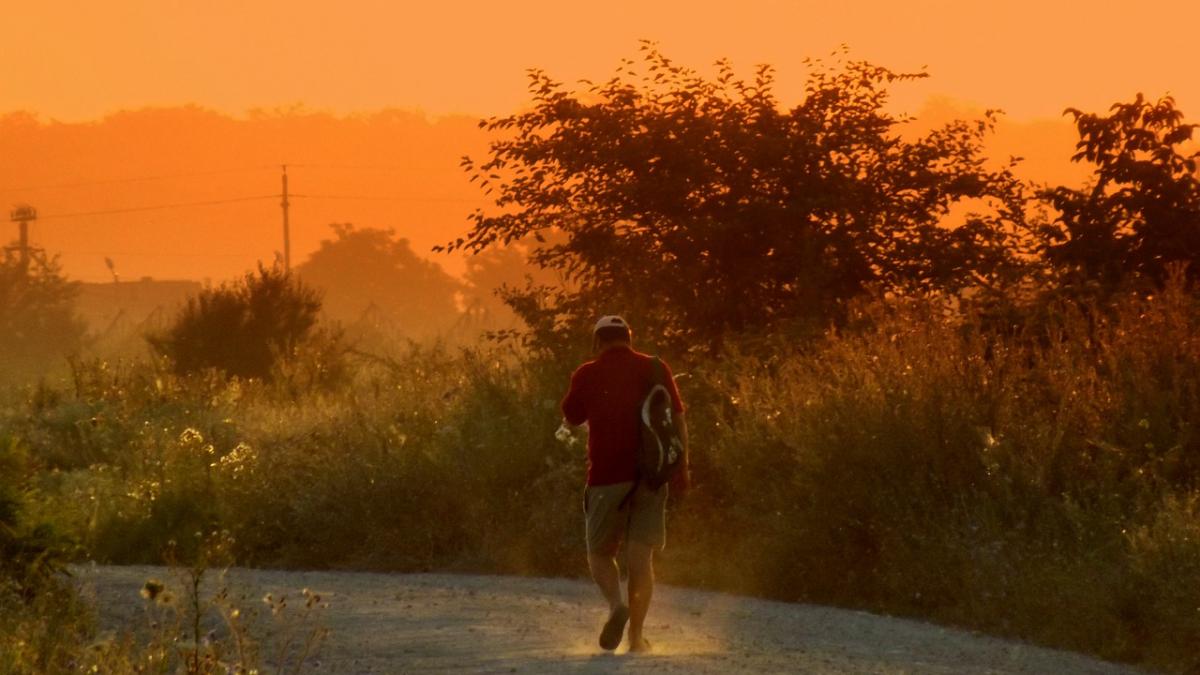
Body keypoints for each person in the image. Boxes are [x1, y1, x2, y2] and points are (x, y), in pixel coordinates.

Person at [560, 315, 689, 653]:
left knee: (599, 554)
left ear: (597, 342)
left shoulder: (587, 373)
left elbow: (571, 417)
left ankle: (617, 607)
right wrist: (681, 468)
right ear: (629, 339)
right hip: (651, 475)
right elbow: (676, 422)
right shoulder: (656, 368)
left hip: (605, 478)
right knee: (640, 559)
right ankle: (635, 638)